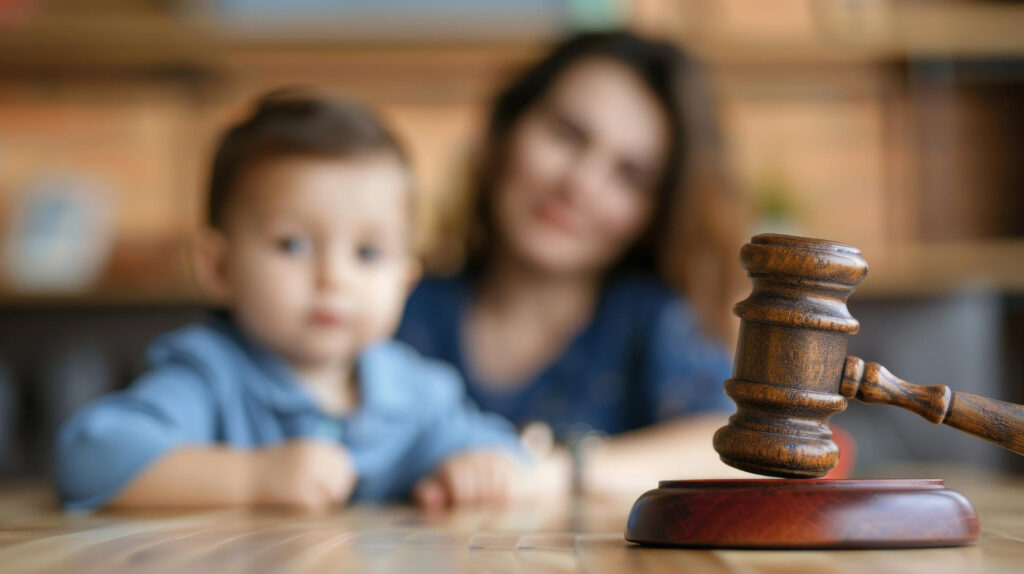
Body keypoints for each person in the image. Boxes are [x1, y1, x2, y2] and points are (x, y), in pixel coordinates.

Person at [54, 90, 533, 512]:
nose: (333, 278)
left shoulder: (416, 390)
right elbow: (89, 455)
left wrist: (481, 467)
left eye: (367, 253)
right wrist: (253, 478)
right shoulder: (210, 376)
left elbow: (497, 446)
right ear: (218, 268)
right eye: (293, 245)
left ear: (404, 283)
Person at [397, 31, 750, 498]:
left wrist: (553, 472)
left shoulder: (654, 320)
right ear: (506, 129)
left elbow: (741, 455)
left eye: (630, 175)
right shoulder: (402, 310)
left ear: (655, 214)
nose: (579, 184)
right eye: (566, 135)